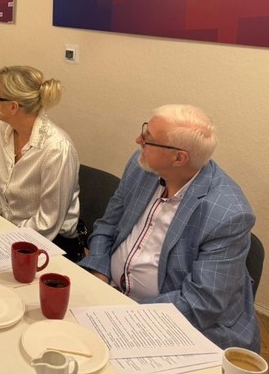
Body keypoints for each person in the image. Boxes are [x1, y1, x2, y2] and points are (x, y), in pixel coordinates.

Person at [79, 105, 259, 351]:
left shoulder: (229, 214)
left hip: (175, 324)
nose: (138, 140)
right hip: (111, 296)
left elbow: (200, 303)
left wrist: (121, 313)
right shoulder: (142, 166)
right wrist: (99, 270)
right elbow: (108, 224)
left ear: (179, 158)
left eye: (148, 138)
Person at [0, 66, 81, 258]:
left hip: (51, 242)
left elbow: (47, 222)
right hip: (5, 231)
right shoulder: (0, 129)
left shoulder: (57, 148)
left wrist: (4, 239)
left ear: (13, 106)